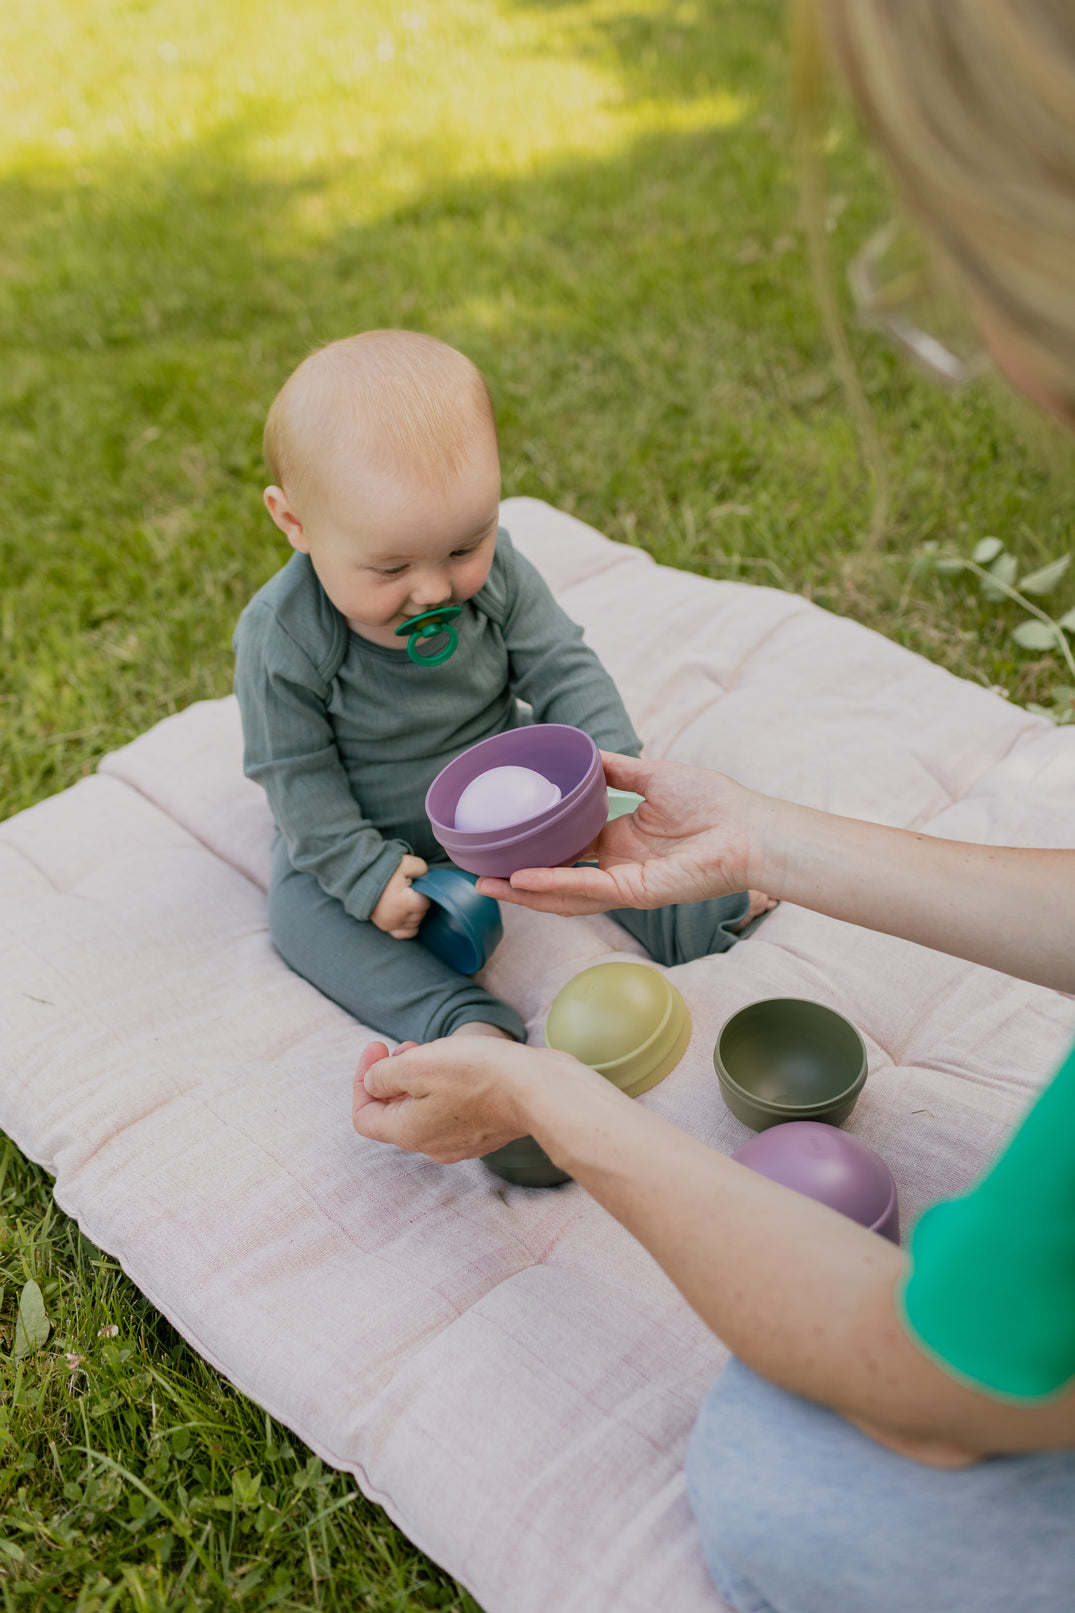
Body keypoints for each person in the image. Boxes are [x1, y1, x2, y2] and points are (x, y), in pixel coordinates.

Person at [350, 3, 1075, 1608]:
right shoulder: (293, 644)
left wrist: (553, 1103)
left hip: (965, 1378)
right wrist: (766, 840)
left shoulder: (509, 584)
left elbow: (937, 1388)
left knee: (791, 1467)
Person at [233, 330, 770, 1048]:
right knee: (301, 916)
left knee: (613, 839)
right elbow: (294, 773)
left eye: (463, 547)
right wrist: (362, 871)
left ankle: (700, 917)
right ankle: (456, 1022)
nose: (433, 588)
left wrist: (607, 778)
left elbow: (560, 667)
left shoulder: (501, 574)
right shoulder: (282, 635)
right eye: (390, 568)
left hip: (510, 801)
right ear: (294, 521)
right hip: (370, 825)